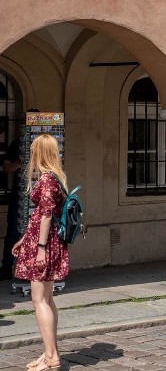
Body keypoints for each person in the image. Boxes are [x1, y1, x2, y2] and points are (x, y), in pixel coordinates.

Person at [11, 134, 70, 371]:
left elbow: (45, 215)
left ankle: (50, 356)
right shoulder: (56, 177)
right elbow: (41, 215)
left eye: (34, 149)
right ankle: (50, 353)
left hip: (44, 244)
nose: (31, 153)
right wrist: (25, 238)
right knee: (47, 299)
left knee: (39, 299)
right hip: (45, 241)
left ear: (41, 152)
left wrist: (40, 249)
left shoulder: (46, 179)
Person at [1, 137, 22, 280]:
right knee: (13, 232)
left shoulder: (47, 143)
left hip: (41, 195)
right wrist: (20, 163)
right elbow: (6, 166)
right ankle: (7, 267)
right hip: (20, 195)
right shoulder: (18, 143)